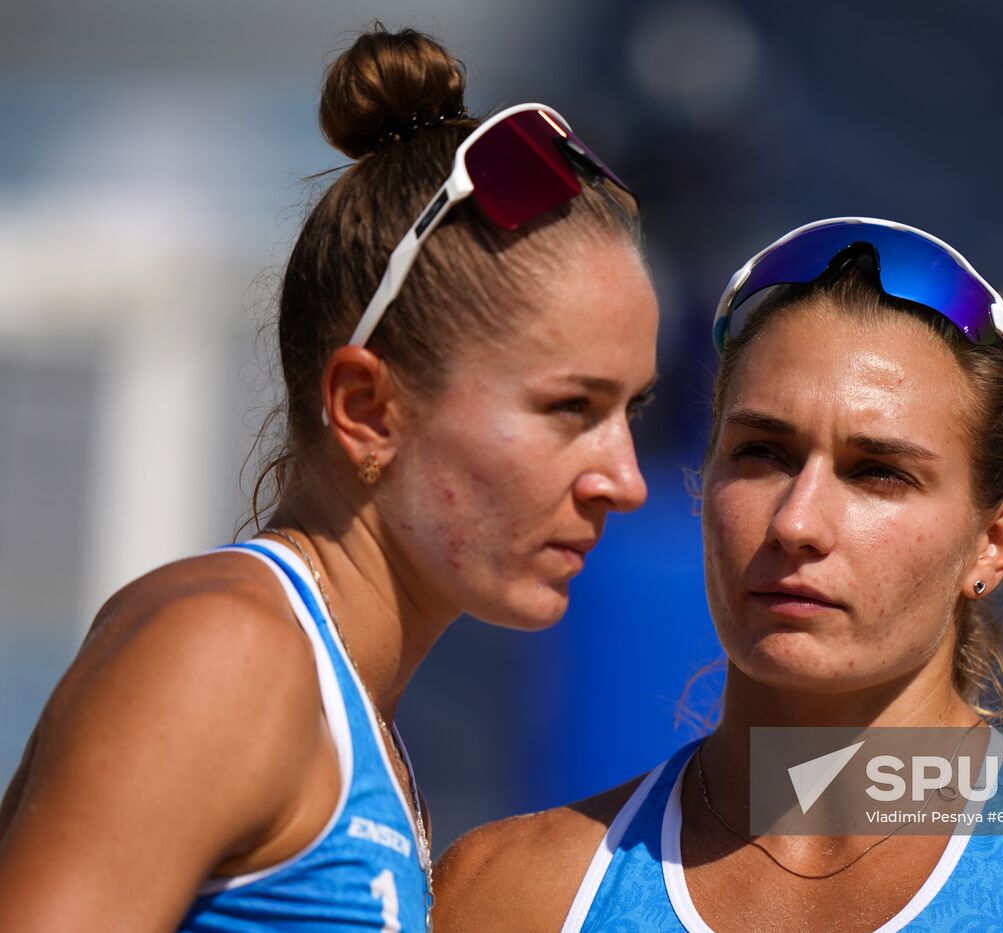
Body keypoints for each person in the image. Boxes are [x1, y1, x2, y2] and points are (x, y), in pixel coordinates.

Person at [0, 24, 658, 932]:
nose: (625, 480)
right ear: (367, 408)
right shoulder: (228, 653)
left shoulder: (355, 721)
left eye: (633, 412)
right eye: (570, 409)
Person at [431, 217, 1003, 931]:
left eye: (878, 473)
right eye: (761, 453)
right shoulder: (512, 896)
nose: (796, 522)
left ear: (993, 541)